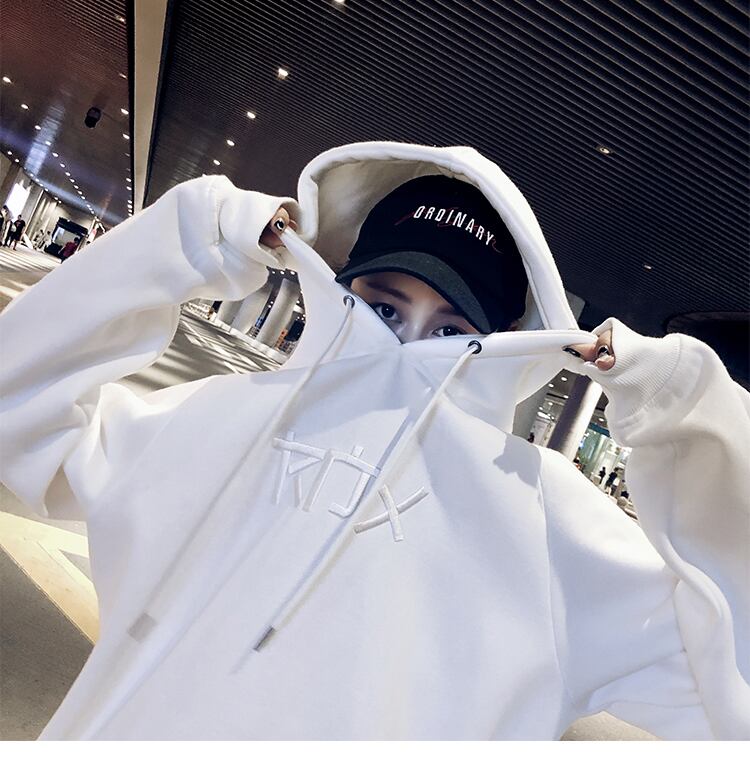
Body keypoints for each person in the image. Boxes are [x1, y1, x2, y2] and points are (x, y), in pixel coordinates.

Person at [0, 142, 747, 741]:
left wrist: (686, 403)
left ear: (501, 345)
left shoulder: (544, 518)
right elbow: (18, 408)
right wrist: (191, 235)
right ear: (341, 292)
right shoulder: (226, 417)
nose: (408, 349)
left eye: (452, 332)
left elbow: (731, 682)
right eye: (384, 310)